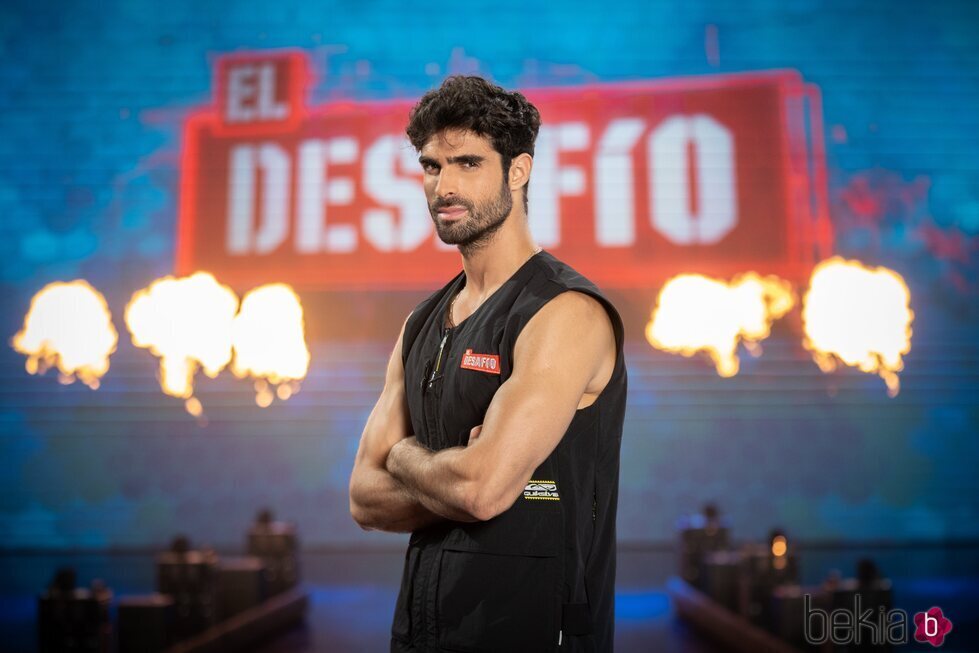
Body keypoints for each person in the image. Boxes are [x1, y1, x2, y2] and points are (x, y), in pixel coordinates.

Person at [348, 75, 628, 652]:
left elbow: (481, 491)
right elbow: (364, 497)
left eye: (468, 163)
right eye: (432, 167)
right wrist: (453, 474)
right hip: (421, 636)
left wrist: (402, 455)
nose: (444, 186)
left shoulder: (564, 312)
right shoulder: (420, 323)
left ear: (518, 171)